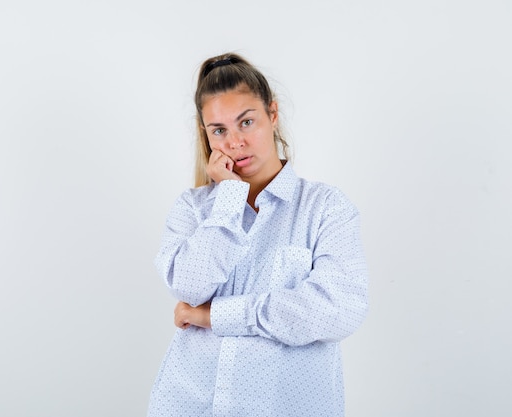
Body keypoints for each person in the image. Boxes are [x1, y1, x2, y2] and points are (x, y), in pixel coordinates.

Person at [148, 52, 368, 417]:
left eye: (246, 122)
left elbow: (339, 309)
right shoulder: (193, 209)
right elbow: (190, 286)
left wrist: (215, 316)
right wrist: (230, 198)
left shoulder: (326, 208)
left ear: (273, 114)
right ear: (206, 135)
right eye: (219, 130)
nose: (235, 142)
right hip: (191, 404)